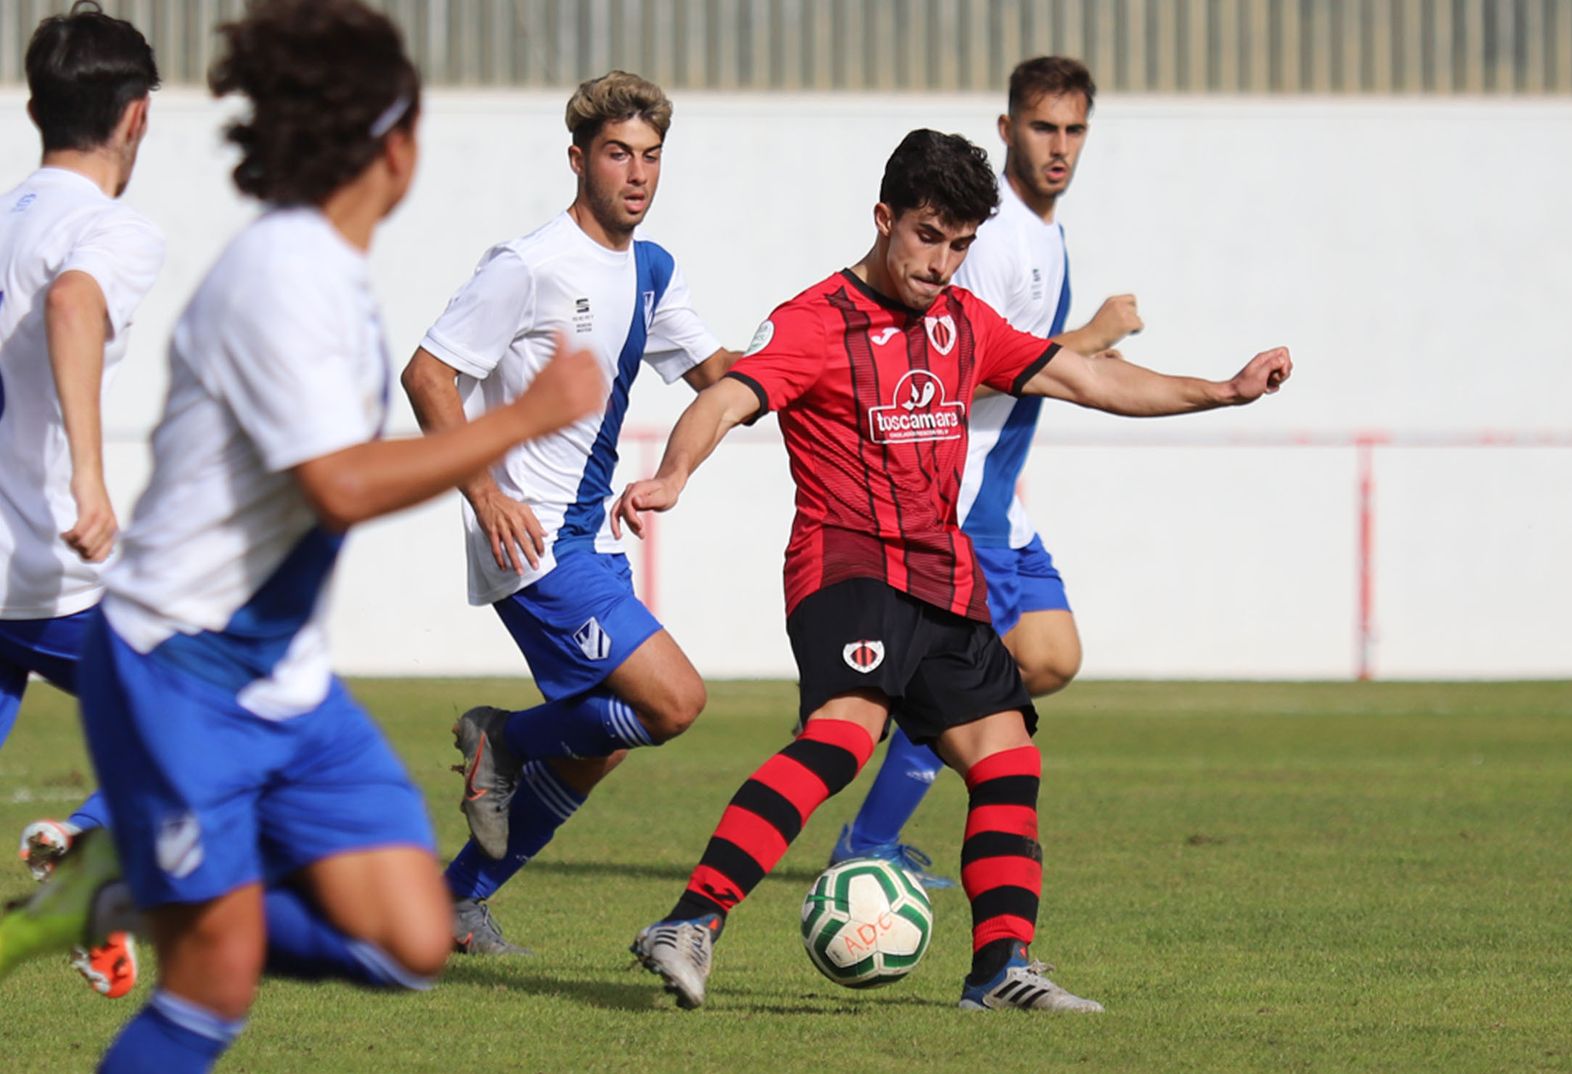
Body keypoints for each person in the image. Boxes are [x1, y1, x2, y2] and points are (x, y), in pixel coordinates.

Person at [0, 3, 603, 1071]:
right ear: (399, 143)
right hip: (180, 663)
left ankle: (125, 892)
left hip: (281, 676)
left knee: (412, 940)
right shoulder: (282, 275)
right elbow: (334, 486)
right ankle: (148, 900)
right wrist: (522, 418)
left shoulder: (324, 271)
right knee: (215, 983)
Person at [614, 128, 1291, 1011]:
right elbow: (726, 397)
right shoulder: (815, 321)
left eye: (961, 245)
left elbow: (1091, 380)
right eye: (929, 237)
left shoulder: (964, 324)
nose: (943, 263)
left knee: (1007, 760)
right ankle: (691, 922)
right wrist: (673, 475)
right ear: (884, 218)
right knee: (843, 739)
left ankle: (999, 969)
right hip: (846, 568)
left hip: (943, 576)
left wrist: (1223, 390)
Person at [400, 70, 737, 954]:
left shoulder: (653, 270)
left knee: (605, 741)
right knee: (673, 700)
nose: (637, 173)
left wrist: (832, 356)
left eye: (652, 156)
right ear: (579, 158)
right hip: (533, 538)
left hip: (585, 538)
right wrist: (482, 490)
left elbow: (725, 382)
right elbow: (428, 376)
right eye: (618, 153)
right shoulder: (529, 265)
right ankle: (502, 739)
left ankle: (455, 906)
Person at [831, 56, 1140, 888]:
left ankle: (874, 819)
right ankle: (868, 840)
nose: (1060, 148)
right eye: (1044, 128)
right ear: (1008, 130)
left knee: (1046, 654)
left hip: (999, 501)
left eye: (1074, 130)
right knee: (1001, 674)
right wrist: (1091, 336)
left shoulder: (1045, 234)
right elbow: (979, 361)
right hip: (961, 498)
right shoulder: (992, 240)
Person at [0, 0, 162, 998]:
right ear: (136, 116)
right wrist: (92, 478)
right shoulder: (108, 229)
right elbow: (72, 302)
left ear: (33, 106)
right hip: (49, 569)